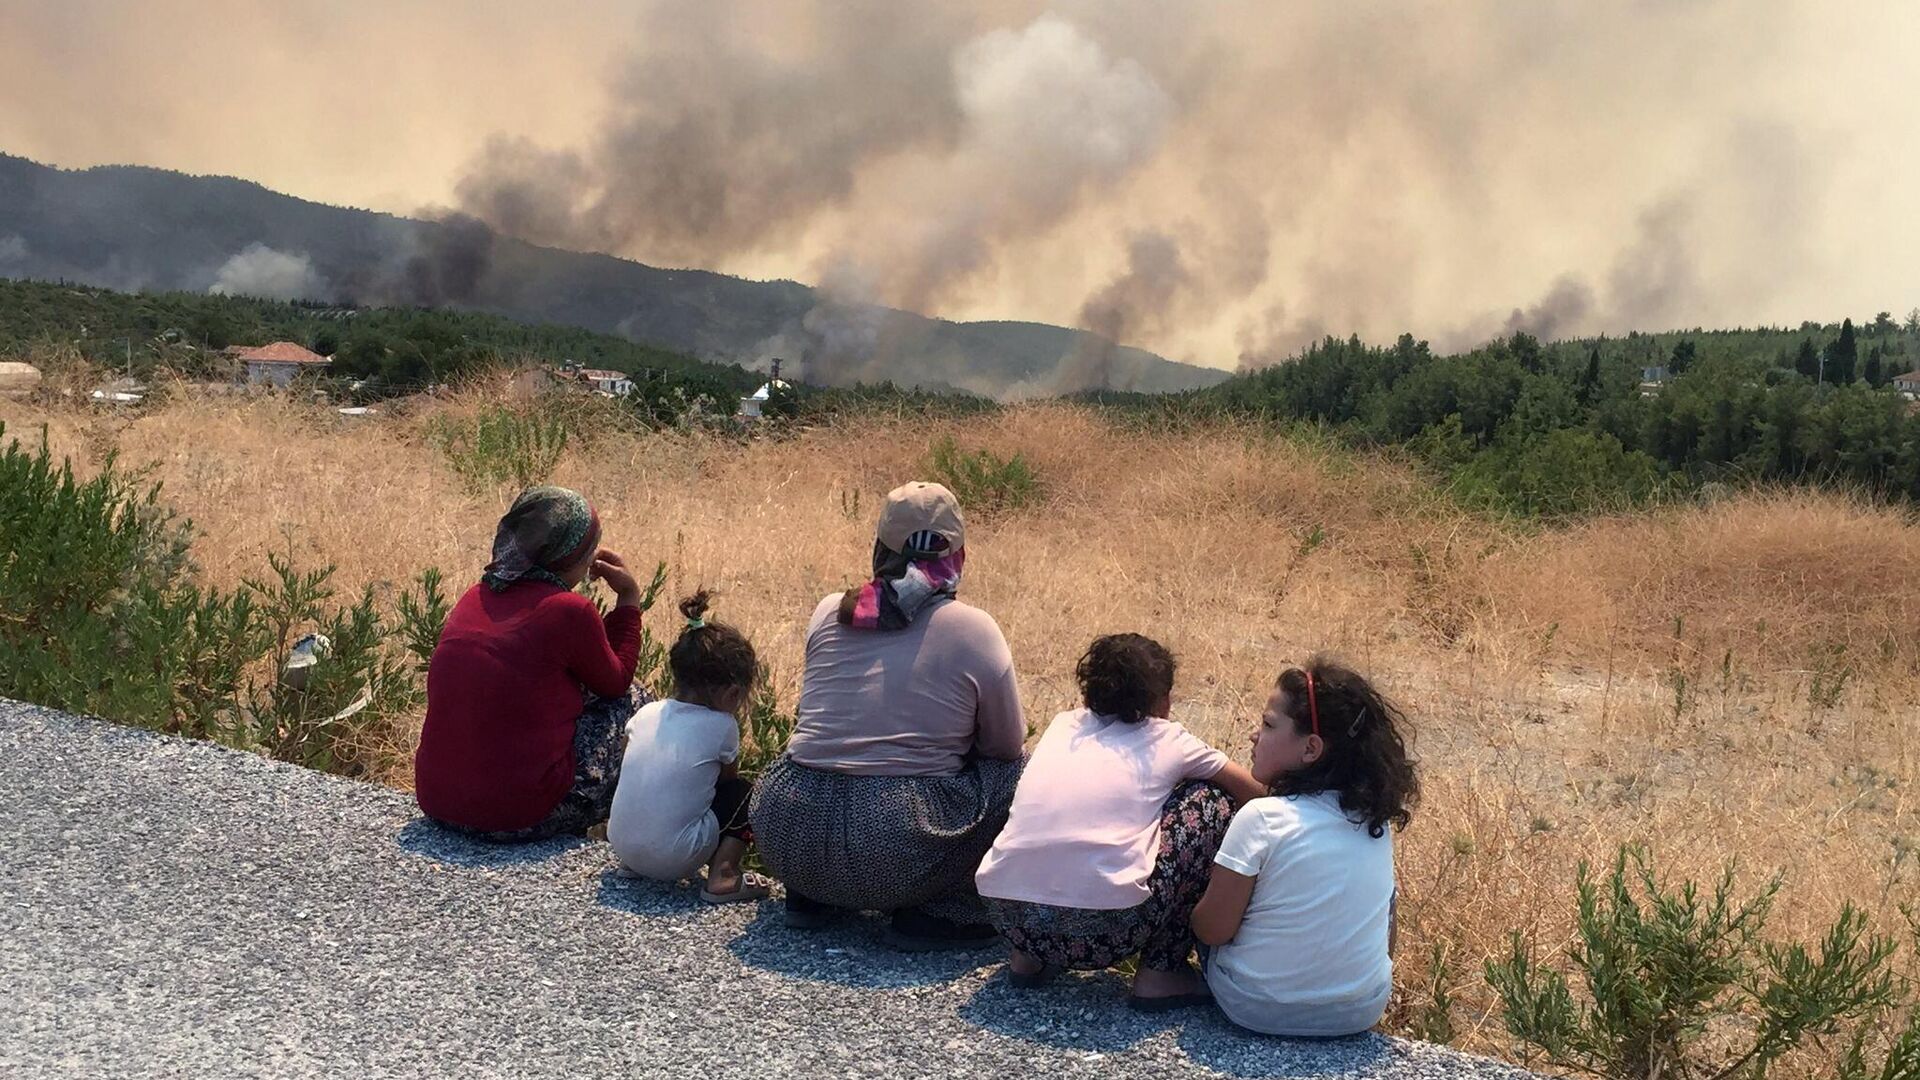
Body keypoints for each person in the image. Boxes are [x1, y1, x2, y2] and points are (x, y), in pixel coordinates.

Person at [750, 480, 1025, 950]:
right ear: (957, 554)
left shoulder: (828, 612)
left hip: (787, 829)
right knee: (1022, 774)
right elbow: (1005, 747)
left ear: (880, 547)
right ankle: (942, 911)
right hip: (894, 846)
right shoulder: (974, 630)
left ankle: (813, 897)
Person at [975, 634, 1267, 1009]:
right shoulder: (1168, 737)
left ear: (1088, 695)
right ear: (1162, 701)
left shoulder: (1063, 726)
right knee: (1211, 803)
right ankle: (1161, 973)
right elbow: (1252, 792)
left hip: (1008, 917)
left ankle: (1028, 960)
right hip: (1111, 930)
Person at [1190, 659, 1419, 1037]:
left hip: (1255, 1006)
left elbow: (1213, 931)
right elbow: (1387, 932)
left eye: (1267, 725)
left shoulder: (1262, 817)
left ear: (1311, 748)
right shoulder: (1373, 822)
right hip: (1360, 1010)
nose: (1253, 736)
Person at [415, 485, 646, 841]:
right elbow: (616, 682)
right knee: (636, 700)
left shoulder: (474, 596)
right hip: (516, 816)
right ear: (574, 557)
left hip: (437, 801)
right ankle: (639, 832)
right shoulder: (568, 610)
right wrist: (629, 599)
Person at [608, 590, 773, 903]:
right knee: (742, 793)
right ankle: (723, 874)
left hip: (621, 845)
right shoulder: (722, 726)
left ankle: (636, 861)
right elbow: (727, 784)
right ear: (731, 693)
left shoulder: (647, 712)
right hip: (675, 859)